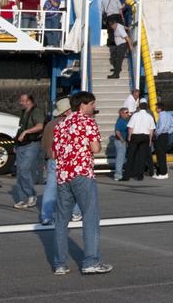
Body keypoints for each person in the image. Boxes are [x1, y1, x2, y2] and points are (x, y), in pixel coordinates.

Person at [50, 90, 111, 275]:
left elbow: (53, 154)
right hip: (82, 173)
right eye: (92, 104)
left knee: (61, 220)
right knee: (90, 216)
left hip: (63, 176)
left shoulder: (60, 125)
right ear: (83, 105)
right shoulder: (87, 121)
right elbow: (95, 147)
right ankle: (91, 261)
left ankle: (60, 263)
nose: (94, 107)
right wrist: (94, 146)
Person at [38, 96, 72, 226]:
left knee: (50, 188)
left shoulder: (49, 124)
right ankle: (75, 212)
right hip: (66, 159)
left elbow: (44, 144)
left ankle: (46, 215)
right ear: (67, 111)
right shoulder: (68, 124)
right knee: (71, 187)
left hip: (52, 159)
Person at [11, 93, 45, 209]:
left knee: (24, 168)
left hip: (32, 144)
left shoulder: (37, 112)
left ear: (29, 101)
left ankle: (31, 194)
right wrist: (16, 143)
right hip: (21, 145)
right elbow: (21, 128)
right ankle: (22, 198)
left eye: (22, 101)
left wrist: (26, 132)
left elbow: (40, 126)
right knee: (20, 172)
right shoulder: (23, 112)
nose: (20, 103)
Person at [127, 101, 155, 181]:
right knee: (142, 157)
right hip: (145, 137)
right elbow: (151, 130)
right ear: (147, 107)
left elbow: (130, 127)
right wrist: (150, 140)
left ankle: (127, 175)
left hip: (135, 136)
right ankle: (140, 176)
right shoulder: (149, 116)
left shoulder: (135, 115)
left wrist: (129, 136)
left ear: (139, 107)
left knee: (131, 156)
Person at [153, 105, 173, 179]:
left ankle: (163, 173)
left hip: (161, 136)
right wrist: (168, 132)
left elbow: (162, 126)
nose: (155, 109)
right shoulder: (168, 114)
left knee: (160, 155)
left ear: (160, 109)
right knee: (162, 154)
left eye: (156, 108)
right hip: (165, 135)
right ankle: (161, 172)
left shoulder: (162, 115)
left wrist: (157, 133)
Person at [108, 108, 129, 180]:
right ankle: (117, 175)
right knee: (120, 158)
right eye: (126, 112)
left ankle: (119, 173)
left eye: (128, 112)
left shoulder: (126, 120)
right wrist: (122, 139)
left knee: (122, 158)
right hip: (120, 142)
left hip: (122, 141)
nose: (127, 113)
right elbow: (117, 131)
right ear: (121, 113)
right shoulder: (120, 121)